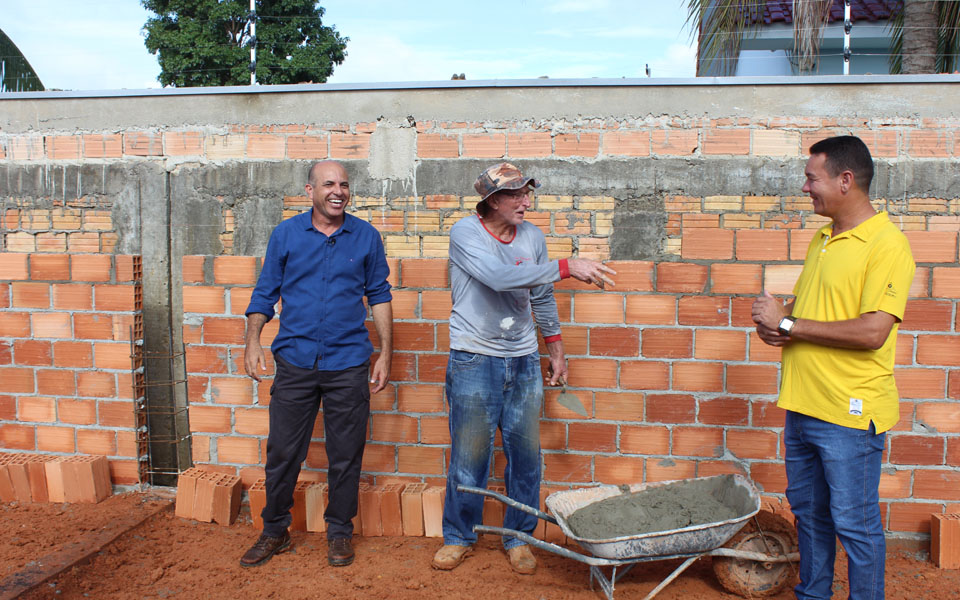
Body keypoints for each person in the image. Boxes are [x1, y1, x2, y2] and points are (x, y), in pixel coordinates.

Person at [432, 162, 617, 574]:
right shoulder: (465, 232)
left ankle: (520, 537)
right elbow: (498, 277)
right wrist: (569, 266)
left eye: (527, 193)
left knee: (526, 455)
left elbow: (541, 294)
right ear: (492, 200)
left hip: (522, 359)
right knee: (470, 456)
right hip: (474, 358)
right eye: (516, 195)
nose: (526, 201)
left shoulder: (532, 236)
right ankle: (459, 536)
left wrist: (555, 348)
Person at [751, 136, 915, 600]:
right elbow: (806, 319)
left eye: (811, 177)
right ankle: (813, 594)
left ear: (846, 180)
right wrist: (776, 328)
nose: (806, 187)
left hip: (848, 413)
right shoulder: (823, 238)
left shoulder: (887, 244)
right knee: (810, 514)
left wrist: (787, 319)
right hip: (803, 405)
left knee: (856, 526)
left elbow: (871, 333)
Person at [240, 160, 393, 568]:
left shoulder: (366, 237)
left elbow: (379, 294)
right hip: (295, 361)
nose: (337, 191)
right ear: (310, 190)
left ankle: (339, 532)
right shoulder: (286, 235)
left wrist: (385, 354)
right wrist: (252, 342)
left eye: (344, 184)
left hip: (348, 364)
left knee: (346, 454)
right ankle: (274, 530)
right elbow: (265, 292)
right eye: (328, 184)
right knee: (283, 453)